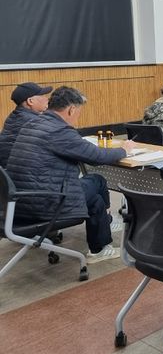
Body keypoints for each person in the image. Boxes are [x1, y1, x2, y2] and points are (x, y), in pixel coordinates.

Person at [6, 86, 136, 263]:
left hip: (19, 202)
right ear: (71, 109)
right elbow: (97, 157)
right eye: (79, 112)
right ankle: (101, 241)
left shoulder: (33, 123)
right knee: (97, 181)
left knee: (94, 196)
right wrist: (124, 150)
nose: (78, 117)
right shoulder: (59, 131)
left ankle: (102, 241)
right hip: (46, 202)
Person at [0, 82, 53, 167]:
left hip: (11, 170)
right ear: (30, 101)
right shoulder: (33, 121)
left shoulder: (16, 115)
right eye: (43, 96)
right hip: (24, 172)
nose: (47, 99)